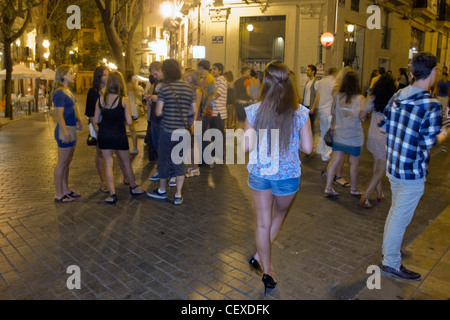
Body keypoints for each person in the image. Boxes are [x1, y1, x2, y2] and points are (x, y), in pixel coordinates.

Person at [243, 61, 313, 294]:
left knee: (262, 222)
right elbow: (309, 148)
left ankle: (267, 269)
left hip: (260, 173)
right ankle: (260, 258)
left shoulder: (254, 110)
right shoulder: (301, 112)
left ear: (265, 82)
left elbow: (245, 145)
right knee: (279, 214)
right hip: (287, 176)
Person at [379, 52, 450, 281]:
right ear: (432, 72)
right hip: (411, 172)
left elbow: (384, 126)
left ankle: (389, 252)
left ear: (411, 73)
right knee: (400, 218)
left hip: (393, 166)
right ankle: (390, 262)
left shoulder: (399, 95)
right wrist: (446, 132)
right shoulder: (430, 104)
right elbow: (429, 142)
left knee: (395, 212)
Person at [146, 59, 196, 205]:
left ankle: (162, 190)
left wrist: (169, 112)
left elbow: (159, 111)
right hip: (182, 131)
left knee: (164, 160)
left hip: (167, 131)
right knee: (179, 162)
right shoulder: (189, 88)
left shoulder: (165, 89)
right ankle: (178, 195)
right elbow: (193, 109)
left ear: (166, 72)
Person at [93, 71, 145, 204]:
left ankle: (112, 194)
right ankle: (133, 187)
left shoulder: (101, 99)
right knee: (126, 163)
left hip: (105, 135)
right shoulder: (124, 100)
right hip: (119, 134)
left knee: (109, 164)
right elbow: (128, 121)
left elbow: (96, 118)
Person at [358, 74, 397, 208]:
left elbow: (362, 114)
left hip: (372, 135)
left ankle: (380, 194)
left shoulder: (373, 98)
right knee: (381, 169)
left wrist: (363, 118)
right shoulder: (394, 100)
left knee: (376, 165)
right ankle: (365, 195)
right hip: (385, 137)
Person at [324, 71, 365, 198]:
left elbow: (333, 112)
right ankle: (353, 189)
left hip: (339, 134)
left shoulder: (337, 96)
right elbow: (362, 118)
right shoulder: (360, 99)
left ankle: (328, 188)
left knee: (333, 162)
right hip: (354, 136)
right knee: (353, 164)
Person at [53, 65, 82, 203]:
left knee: (67, 162)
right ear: (63, 75)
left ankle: (65, 189)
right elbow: (59, 115)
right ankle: (58, 194)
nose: (73, 75)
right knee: (62, 162)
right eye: (71, 73)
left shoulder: (68, 90)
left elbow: (73, 107)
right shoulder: (59, 93)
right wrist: (64, 132)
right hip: (65, 129)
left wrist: (78, 120)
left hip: (71, 128)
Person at [315, 67, 337, 162]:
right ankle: (326, 154)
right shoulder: (335, 83)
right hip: (329, 111)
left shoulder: (320, 82)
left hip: (321, 109)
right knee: (331, 133)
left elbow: (318, 94)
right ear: (335, 73)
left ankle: (320, 150)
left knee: (323, 131)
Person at [184, 69, 202, 178]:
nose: (186, 76)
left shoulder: (197, 90)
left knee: (192, 145)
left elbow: (197, 106)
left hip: (194, 119)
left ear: (194, 78)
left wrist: (193, 122)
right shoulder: (189, 89)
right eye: (186, 75)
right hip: (189, 118)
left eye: (190, 76)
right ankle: (193, 166)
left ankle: (196, 169)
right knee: (190, 144)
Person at [148, 62, 164, 181]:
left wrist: (155, 98)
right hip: (155, 118)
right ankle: (161, 169)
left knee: (162, 145)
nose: (154, 76)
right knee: (156, 144)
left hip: (162, 118)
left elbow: (168, 97)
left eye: (155, 73)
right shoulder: (157, 82)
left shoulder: (167, 82)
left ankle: (165, 170)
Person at [303, 64, 318, 134]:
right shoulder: (307, 82)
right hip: (305, 105)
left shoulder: (316, 82)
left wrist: (312, 107)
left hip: (311, 106)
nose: (306, 71)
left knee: (311, 125)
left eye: (308, 70)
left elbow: (317, 95)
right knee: (305, 124)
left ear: (313, 71)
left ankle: (311, 140)